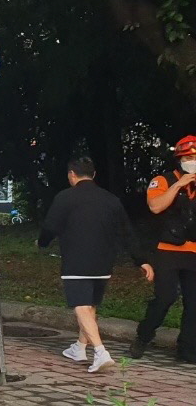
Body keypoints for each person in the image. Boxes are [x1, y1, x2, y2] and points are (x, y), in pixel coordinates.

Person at [37, 157, 153, 373]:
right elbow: (127, 232)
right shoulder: (111, 200)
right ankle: (79, 348)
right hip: (104, 262)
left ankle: (100, 352)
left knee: (81, 306)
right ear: (94, 175)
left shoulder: (65, 198)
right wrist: (142, 260)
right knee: (90, 306)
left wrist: (42, 242)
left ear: (71, 174)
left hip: (77, 260)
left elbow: (50, 226)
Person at [131, 135, 196, 362]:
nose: (192, 161)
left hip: (194, 252)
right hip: (168, 250)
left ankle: (187, 349)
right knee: (165, 297)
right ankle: (143, 336)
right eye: (188, 157)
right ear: (179, 159)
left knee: (194, 304)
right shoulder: (163, 180)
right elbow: (155, 207)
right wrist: (179, 184)